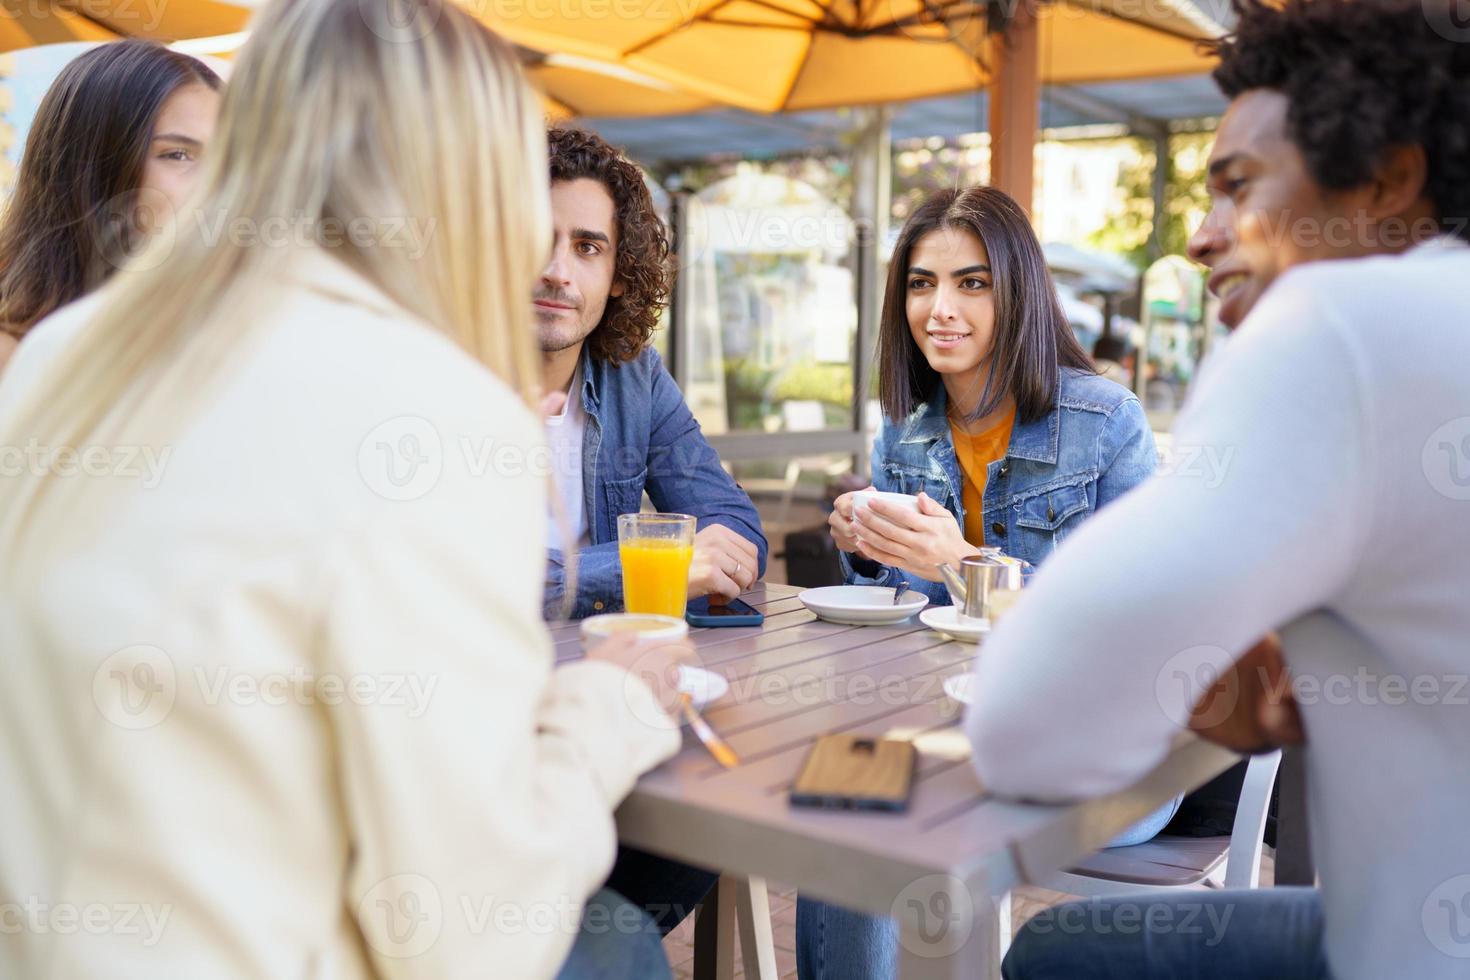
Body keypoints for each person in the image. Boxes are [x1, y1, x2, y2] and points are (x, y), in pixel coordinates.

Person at [0, 1, 689, 977]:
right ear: (480, 180)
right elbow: (470, 932)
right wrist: (606, 710)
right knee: (617, 943)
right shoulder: (430, 410)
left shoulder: (65, 351)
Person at [981, 0, 1470, 977]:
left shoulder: (1343, 320)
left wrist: (1219, 664)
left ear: (1386, 179)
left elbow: (1020, 727)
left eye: (1236, 185)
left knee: (1055, 957)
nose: (1200, 239)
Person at [800, 185, 1175, 980]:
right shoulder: (907, 433)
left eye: (973, 283)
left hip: (1108, 755)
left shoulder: (1107, 422)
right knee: (840, 792)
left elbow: (1142, 624)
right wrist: (865, 550)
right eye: (921, 283)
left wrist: (967, 566)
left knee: (887, 799)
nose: (941, 308)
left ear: (1019, 292)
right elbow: (908, 620)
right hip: (962, 732)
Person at [537, 126, 767, 620]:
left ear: (620, 275)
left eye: (587, 248)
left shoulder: (633, 378)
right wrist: (659, 567)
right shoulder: (440, 372)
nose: (557, 270)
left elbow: (735, 528)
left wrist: (690, 561)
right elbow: (454, 575)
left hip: (606, 665)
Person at [0, 40, 221, 375]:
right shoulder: (16, 353)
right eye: (177, 154)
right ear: (93, 167)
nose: (215, 183)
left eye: (225, 159)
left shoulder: (217, 330)